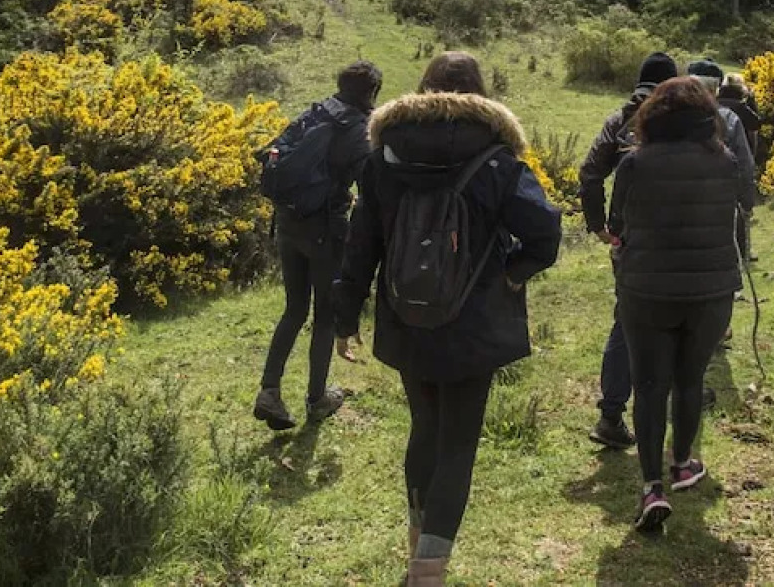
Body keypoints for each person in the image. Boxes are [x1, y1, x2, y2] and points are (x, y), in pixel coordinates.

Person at [334, 51, 562, 586]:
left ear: (423, 92)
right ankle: (428, 570)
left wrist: (346, 317)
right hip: (474, 323)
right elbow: (545, 233)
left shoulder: (383, 157)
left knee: (425, 428)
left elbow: (361, 243)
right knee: (458, 441)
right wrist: (513, 273)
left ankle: (418, 544)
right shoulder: (498, 160)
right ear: (480, 96)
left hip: (405, 317)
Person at [608, 77, 752, 532]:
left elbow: (616, 223)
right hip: (711, 290)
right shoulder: (726, 161)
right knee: (690, 378)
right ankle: (684, 463)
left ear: (652, 116)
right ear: (707, 118)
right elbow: (744, 206)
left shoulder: (634, 163)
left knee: (649, 385)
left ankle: (652, 487)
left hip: (646, 289)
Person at [253, 61, 381, 430]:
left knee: (294, 309)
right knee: (324, 314)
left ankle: (269, 391)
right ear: (372, 92)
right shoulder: (358, 128)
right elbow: (369, 184)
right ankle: (317, 398)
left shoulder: (316, 111)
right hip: (325, 229)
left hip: (288, 223)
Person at [576, 51, 678, 451]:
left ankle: (611, 414)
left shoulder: (619, 120)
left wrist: (598, 225)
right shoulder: (683, 121)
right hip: (676, 239)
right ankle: (677, 398)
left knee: (627, 320)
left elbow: (589, 174)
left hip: (629, 242)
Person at [686, 59, 758, 266]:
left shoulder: (664, 116)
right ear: (715, 88)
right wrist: (746, 202)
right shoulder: (728, 119)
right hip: (720, 205)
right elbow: (745, 165)